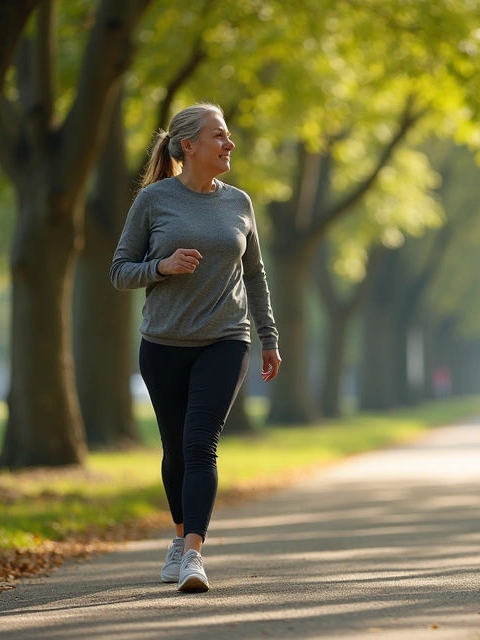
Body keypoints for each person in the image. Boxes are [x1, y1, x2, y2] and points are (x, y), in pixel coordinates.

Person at [110, 103, 281, 593]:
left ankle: (193, 556)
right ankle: (180, 535)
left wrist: (268, 337)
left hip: (226, 339)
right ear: (189, 146)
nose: (229, 145)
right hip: (163, 344)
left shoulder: (240, 203)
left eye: (227, 137)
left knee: (200, 442)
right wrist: (161, 268)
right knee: (175, 450)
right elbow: (120, 270)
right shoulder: (153, 201)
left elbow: (255, 276)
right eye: (219, 137)